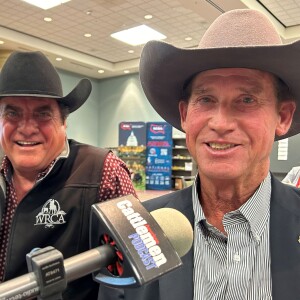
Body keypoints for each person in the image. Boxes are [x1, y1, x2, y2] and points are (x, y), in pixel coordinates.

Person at [99, 8, 300, 300]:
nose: (219, 123)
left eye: (247, 99)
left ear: (282, 116)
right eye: (205, 99)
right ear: (184, 115)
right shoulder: (137, 232)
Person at [0, 51, 137, 299]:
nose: (27, 128)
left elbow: (134, 272)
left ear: (64, 122)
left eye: (42, 114)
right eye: (12, 113)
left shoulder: (103, 171)